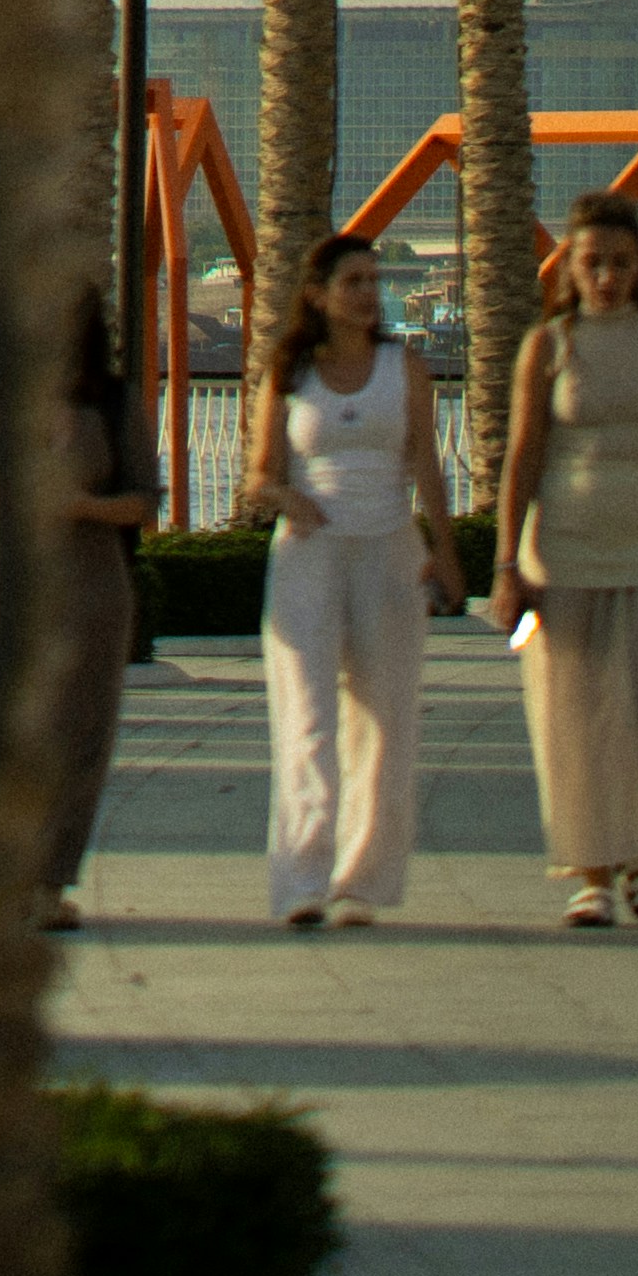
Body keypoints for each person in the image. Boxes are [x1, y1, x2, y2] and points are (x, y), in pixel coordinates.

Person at [499, 190, 638, 925]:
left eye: (621, 263)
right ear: (570, 265)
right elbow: (523, 455)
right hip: (565, 541)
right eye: (592, 263)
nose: (606, 276)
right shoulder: (549, 344)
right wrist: (506, 563)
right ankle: (590, 870)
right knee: (578, 710)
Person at [234, 231, 460, 929]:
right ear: (318, 295)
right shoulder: (290, 371)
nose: (367, 293)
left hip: (389, 549)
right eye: (353, 281)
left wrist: (445, 551)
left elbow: (425, 461)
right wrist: (284, 497)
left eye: (373, 280)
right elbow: (258, 475)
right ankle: (303, 877)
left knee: (384, 719)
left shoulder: (403, 366)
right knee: (307, 719)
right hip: (310, 554)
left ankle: (361, 881)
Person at [39, 285, 165, 930]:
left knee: (81, 732)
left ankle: (50, 880)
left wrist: (81, 507)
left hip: (91, 583)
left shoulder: (112, 403)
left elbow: (146, 500)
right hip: (14, 588)